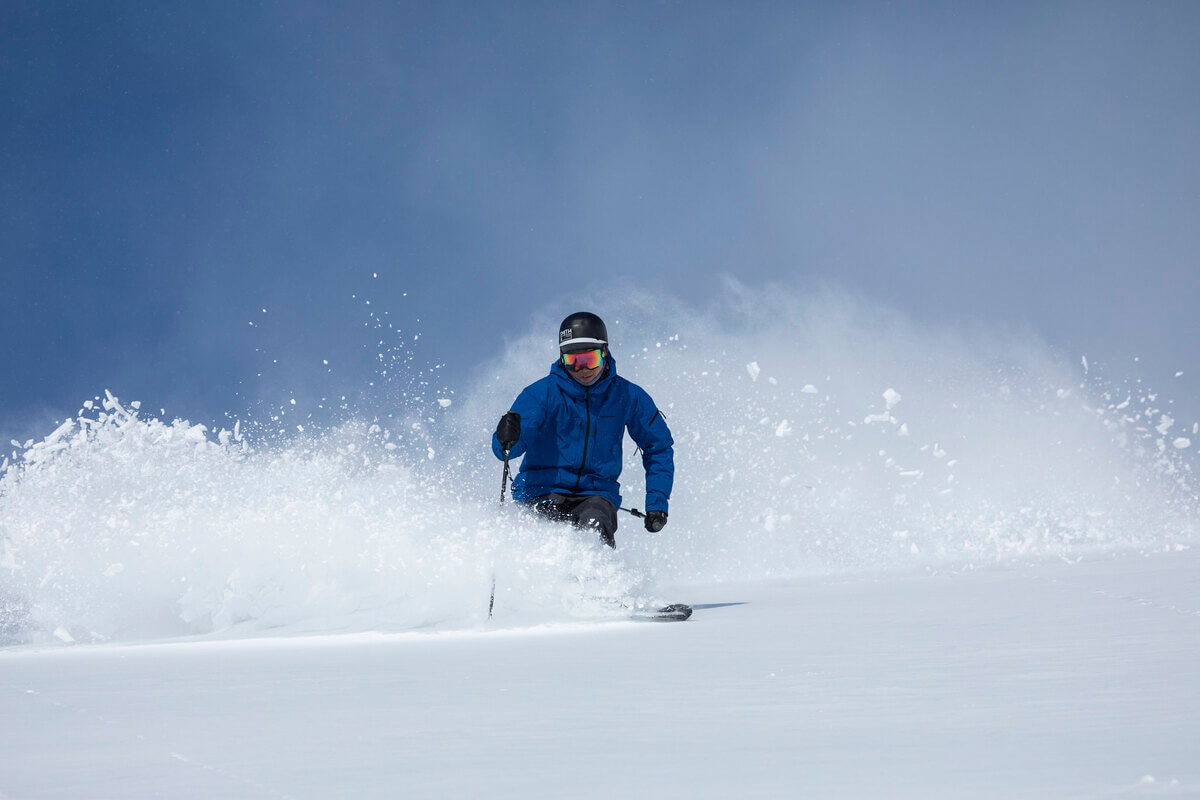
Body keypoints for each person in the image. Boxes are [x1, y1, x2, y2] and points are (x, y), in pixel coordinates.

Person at [491, 312, 674, 547]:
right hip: (541, 489)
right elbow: (503, 451)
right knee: (546, 533)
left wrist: (657, 504)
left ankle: (595, 580)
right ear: (561, 357)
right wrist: (506, 437)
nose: (582, 370)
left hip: (596, 494)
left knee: (595, 529)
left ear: (605, 352)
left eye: (590, 359)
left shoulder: (628, 396)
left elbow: (658, 446)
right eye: (573, 361)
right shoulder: (541, 394)